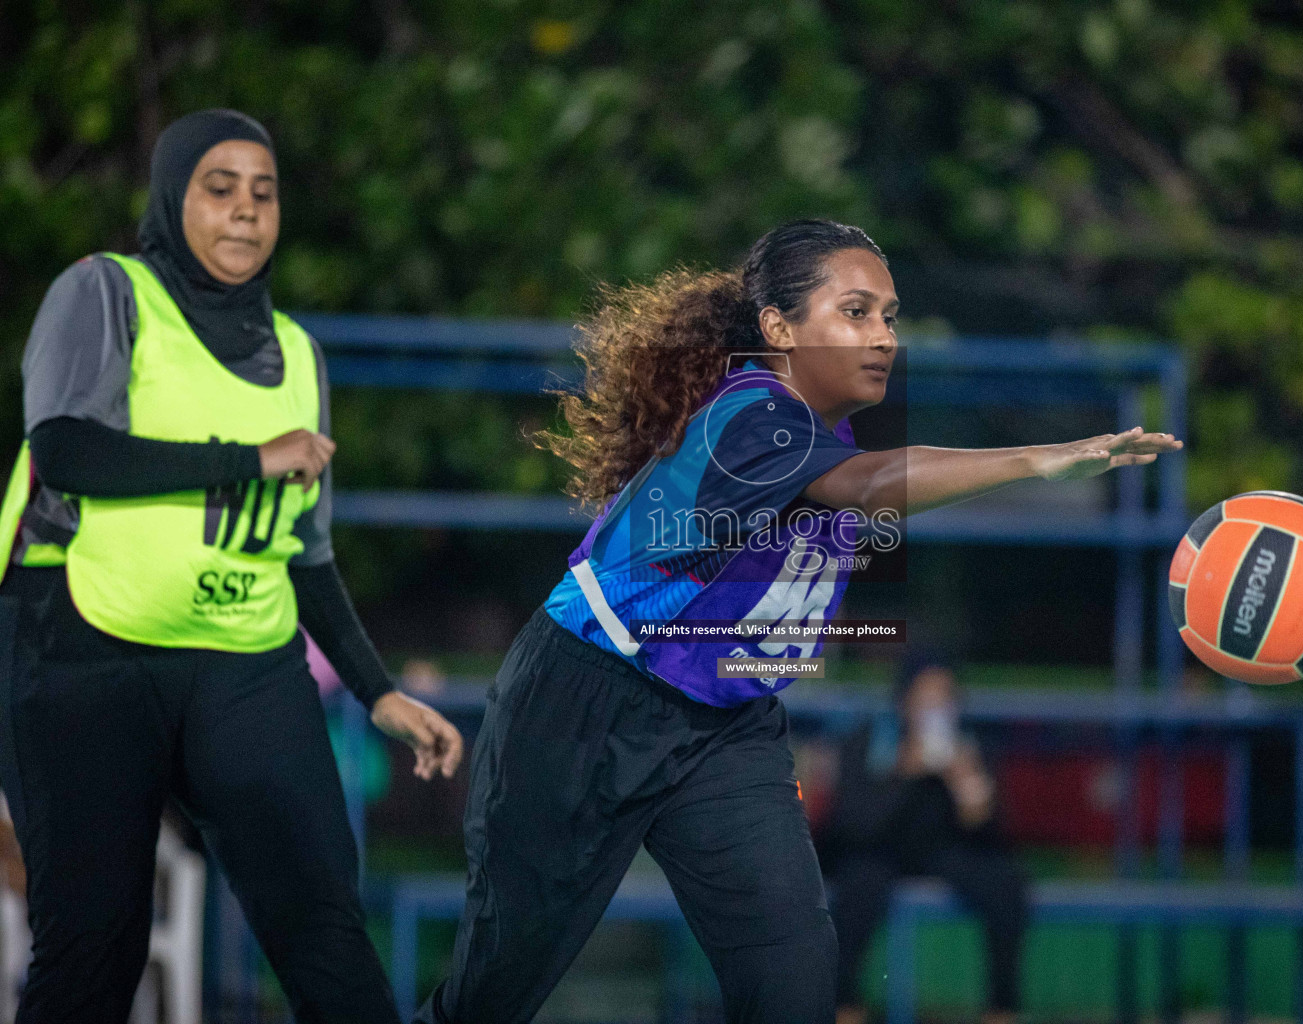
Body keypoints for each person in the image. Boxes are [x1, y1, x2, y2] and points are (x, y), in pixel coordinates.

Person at [417, 219, 1180, 1024]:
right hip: (586, 703)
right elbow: (873, 483)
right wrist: (1041, 457)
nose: (882, 334)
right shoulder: (750, 418)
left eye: (888, 315)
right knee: (494, 995)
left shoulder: (824, 438)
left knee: (795, 980)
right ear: (779, 328)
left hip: (723, 728)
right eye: (855, 311)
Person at [0, 108, 465, 1024]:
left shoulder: (298, 353)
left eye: (264, 192)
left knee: (324, 927)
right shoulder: (106, 293)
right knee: (95, 948)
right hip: (85, 646)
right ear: (175, 199)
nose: (246, 212)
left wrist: (378, 692)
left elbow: (308, 554)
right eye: (220, 190)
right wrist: (246, 456)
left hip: (242, 660)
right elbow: (65, 452)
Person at [822, 651, 1025, 1024]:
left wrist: (971, 797)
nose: (935, 708)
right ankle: (844, 1008)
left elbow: (994, 834)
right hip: (878, 853)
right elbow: (853, 827)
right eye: (925, 697)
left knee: (1005, 885)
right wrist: (905, 770)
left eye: (945, 697)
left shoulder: (969, 745)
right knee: (858, 889)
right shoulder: (869, 741)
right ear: (904, 700)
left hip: (943, 854)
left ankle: (1000, 1010)